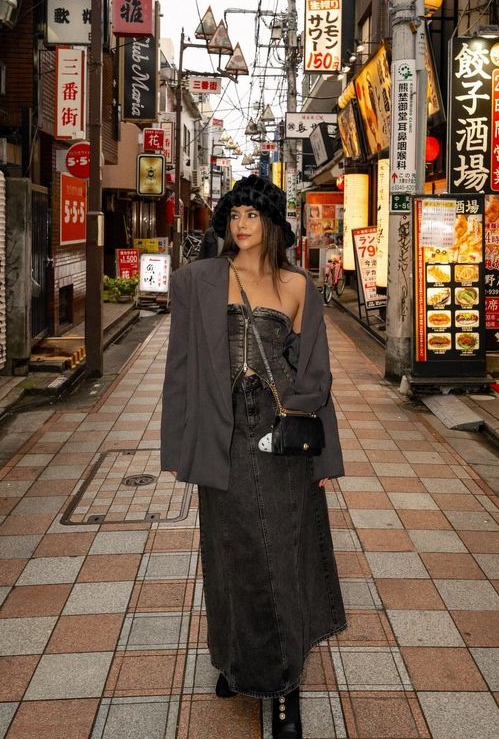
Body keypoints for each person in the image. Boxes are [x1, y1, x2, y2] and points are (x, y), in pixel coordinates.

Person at [161, 175, 346, 739]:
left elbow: (315, 372)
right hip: (224, 438)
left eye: (252, 214)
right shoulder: (198, 281)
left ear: (271, 223)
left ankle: (285, 686)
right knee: (230, 552)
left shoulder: (297, 286)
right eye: (234, 214)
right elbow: (181, 367)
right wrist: (181, 442)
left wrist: (311, 439)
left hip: (280, 440)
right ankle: (236, 662)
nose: (242, 224)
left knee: (280, 556)